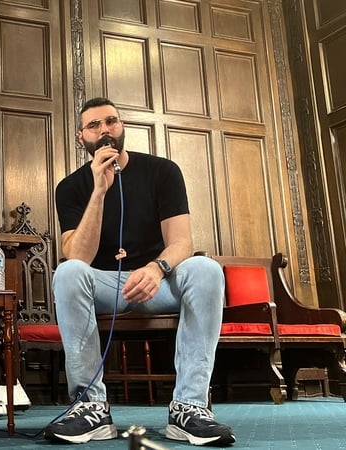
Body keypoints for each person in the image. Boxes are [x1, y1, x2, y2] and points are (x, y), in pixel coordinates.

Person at [45, 97, 235, 446]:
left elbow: (182, 242)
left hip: (158, 282)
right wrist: (99, 191)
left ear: (122, 127)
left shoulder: (163, 172)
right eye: (94, 125)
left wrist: (156, 268)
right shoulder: (70, 188)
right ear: (81, 137)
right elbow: (78, 256)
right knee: (68, 272)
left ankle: (189, 407)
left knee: (206, 269)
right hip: (104, 285)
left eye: (111, 121)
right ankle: (91, 407)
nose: (104, 130)